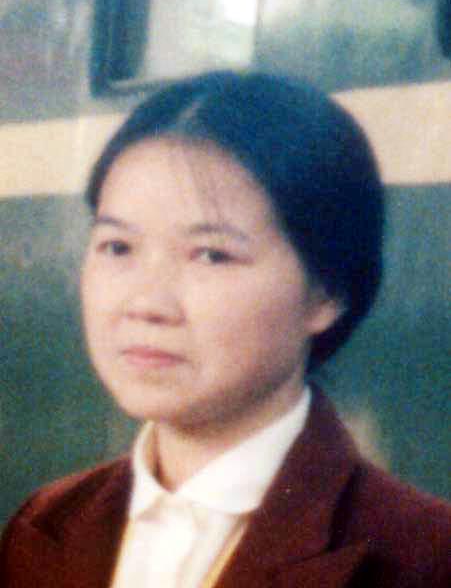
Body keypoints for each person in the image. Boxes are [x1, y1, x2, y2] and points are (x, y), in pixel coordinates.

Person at [0, 71, 449, 587]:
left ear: (328, 293)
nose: (145, 304)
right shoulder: (46, 525)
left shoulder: (425, 558)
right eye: (117, 247)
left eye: (211, 255)